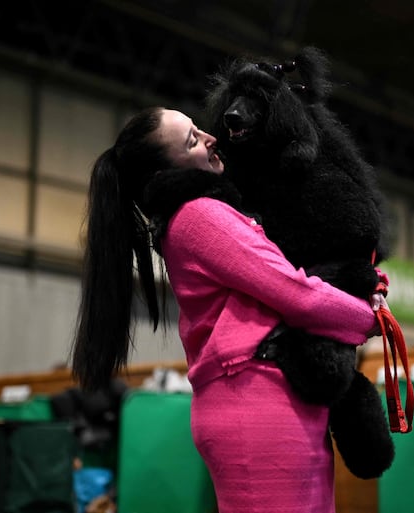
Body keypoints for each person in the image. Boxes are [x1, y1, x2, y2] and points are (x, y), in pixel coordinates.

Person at [72, 107, 382, 513]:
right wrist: (368, 318)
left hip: (271, 400)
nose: (210, 137)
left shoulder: (202, 215)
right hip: (256, 402)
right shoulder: (199, 216)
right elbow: (295, 292)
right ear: (166, 172)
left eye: (197, 128)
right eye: (192, 141)